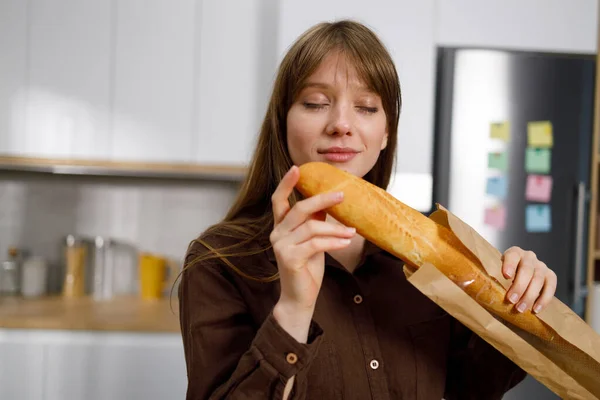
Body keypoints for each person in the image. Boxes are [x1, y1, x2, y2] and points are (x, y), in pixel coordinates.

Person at [178, 20, 557, 399]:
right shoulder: (219, 261)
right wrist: (293, 309)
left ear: (386, 132)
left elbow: (471, 387)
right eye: (315, 103)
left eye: (366, 107)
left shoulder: (431, 253)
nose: (341, 124)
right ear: (282, 122)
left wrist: (518, 305)